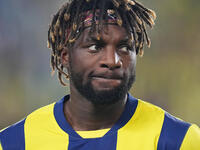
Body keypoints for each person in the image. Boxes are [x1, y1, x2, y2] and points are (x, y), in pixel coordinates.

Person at [0, 0, 200, 149]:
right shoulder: (14, 143)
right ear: (65, 56)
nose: (113, 61)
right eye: (95, 46)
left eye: (124, 47)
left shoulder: (178, 140)